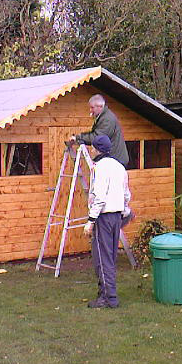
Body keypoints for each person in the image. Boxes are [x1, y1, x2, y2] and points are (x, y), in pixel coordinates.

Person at [83, 135, 131, 308]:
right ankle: (104, 292)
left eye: (92, 147)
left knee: (102, 259)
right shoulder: (119, 166)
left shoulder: (100, 168)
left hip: (104, 217)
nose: (90, 150)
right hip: (117, 216)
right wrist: (125, 209)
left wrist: (90, 220)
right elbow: (126, 193)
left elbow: (100, 196)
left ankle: (109, 298)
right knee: (110, 256)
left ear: (97, 149)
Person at [71, 94, 129, 167]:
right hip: (113, 159)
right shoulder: (103, 117)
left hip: (115, 160)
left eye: (92, 108)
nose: (90, 110)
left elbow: (98, 138)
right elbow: (95, 134)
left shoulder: (107, 119)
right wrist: (79, 137)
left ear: (100, 106)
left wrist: (78, 138)